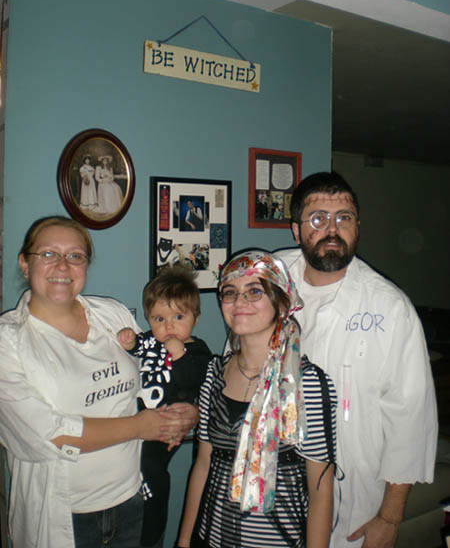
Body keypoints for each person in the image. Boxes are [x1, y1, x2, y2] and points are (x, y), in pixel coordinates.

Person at [0, 215, 198, 548]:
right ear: (24, 263)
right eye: (48, 254)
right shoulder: (8, 341)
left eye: (75, 256)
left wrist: (187, 411)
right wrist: (139, 427)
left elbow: (155, 376)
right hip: (65, 516)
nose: (63, 265)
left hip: (133, 500)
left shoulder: (112, 314)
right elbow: (48, 435)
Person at [276, 171, 438, 548]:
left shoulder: (389, 308)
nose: (332, 229)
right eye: (318, 218)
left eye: (344, 217)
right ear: (296, 231)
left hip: (353, 507)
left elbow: (410, 419)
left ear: (357, 226)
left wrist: (390, 517)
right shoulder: (268, 283)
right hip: (271, 490)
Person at [177, 249, 337, 548]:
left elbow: (320, 489)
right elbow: (202, 465)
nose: (239, 302)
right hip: (210, 538)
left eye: (254, 291)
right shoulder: (214, 374)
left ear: (281, 303)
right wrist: (184, 541)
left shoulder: (306, 383)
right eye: (229, 292)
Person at [117, 264, 212, 548]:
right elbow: (137, 347)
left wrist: (179, 355)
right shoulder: (151, 340)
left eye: (178, 317)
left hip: (165, 427)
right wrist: (129, 340)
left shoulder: (198, 351)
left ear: (196, 317)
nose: (169, 326)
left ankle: (153, 524)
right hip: (136, 420)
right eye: (159, 319)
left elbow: (196, 382)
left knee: (152, 467)